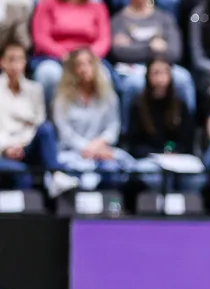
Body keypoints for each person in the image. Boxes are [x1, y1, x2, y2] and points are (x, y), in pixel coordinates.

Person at [51, 46, 133, 190]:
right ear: (72, 70)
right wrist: (87, 148)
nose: (85, 68)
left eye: (89, 63)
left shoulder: (108, 95)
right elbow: (64, 132)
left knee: (118, 167)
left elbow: (113, 127)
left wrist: (97, 146)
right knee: (73, 173)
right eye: (79, 65)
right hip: (73, 153)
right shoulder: (62, 98)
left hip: (102, 150)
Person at [110, 0, 196, 129]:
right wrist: (151, 47)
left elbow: (175, 52)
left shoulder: (164, 18)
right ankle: (125, 131)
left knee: (183, 78)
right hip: (133, 68)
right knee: (134, 83)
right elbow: (120, 52)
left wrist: (134, 46)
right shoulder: (118, 20)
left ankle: (188, 129)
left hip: (163, 64)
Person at [0, 39, 71, 192]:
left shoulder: (35, 89)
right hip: (3, 149)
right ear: (2, 62)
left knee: (46, 129)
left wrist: (21, 145)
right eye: (11, 60)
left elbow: (37, 122)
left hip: (27, 145)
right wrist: (7, 148)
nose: (15, 65)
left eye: (20, 59)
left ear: (25, 62)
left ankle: (55, 176)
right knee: (20, 172)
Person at [124, 56, 203, 191]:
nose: (161, 78)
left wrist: (173, 150)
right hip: (149, 158)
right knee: (153, 175)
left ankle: (188, 209)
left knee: (195, 176)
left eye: (165, 72)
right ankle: (156, 208)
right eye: (156, 73)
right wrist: (158, 153)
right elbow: (134, 143)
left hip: (177, 157)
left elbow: (187, 139)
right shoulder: (137, 105)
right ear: (148, 76)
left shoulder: (180, 104)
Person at [30, 0, 113, 104]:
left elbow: (104, 40)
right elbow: (41, 38)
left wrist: (86, 58)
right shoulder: (46, 5)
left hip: (89, 57)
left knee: (104, 75)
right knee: (49, 74)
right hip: (55, 58)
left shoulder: (98, 7)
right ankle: (48, 117)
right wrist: (65, 55)